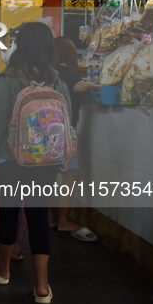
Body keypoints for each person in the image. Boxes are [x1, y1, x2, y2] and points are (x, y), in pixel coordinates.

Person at [0, 22, 72, 304]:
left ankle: (2, 270)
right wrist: (64, 157)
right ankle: (42, 286)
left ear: (21, 46)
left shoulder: (8, 79)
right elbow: (67, 123)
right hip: (47, 161)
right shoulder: (58, 80)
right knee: (38, 217)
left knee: (8, 214)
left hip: (12, 159)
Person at [50, 37, 100, 241]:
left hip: (48, 129)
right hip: (64, 131)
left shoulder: (49, 71)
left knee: (48, 176)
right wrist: (98, 87)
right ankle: (63, 221)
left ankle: (48, 216)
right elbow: (79, 87)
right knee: (71, 175)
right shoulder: (65, 70)